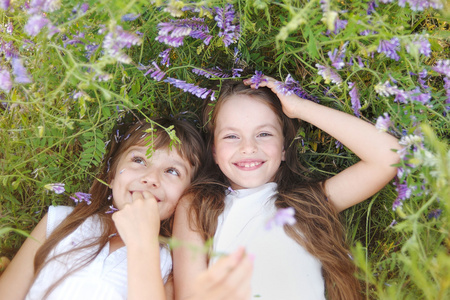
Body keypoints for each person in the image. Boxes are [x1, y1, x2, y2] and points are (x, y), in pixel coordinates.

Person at [172, 77, 402, 300]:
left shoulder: (308, 205)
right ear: (214, 151)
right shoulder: (198, 205)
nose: (249, 147)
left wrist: (299, 107)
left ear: (283, 148)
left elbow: (388, 157)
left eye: (264, 134)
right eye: (231, 136)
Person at [0, 116, 251, 300]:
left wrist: (143, 243)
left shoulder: (170, 264)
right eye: (139, 160)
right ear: (111, 175)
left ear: (187, 196)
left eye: (172, 171)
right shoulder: (60, 221)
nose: (151, 177)